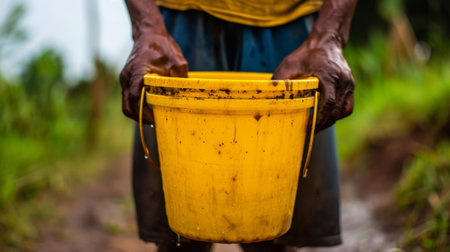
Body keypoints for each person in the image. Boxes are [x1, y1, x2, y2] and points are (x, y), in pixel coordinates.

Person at [119, 0, 357, 251]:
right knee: (179, 235)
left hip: (291, 25)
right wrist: (147, 27)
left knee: (274, 228)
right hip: (176, 22)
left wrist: (329, 35)